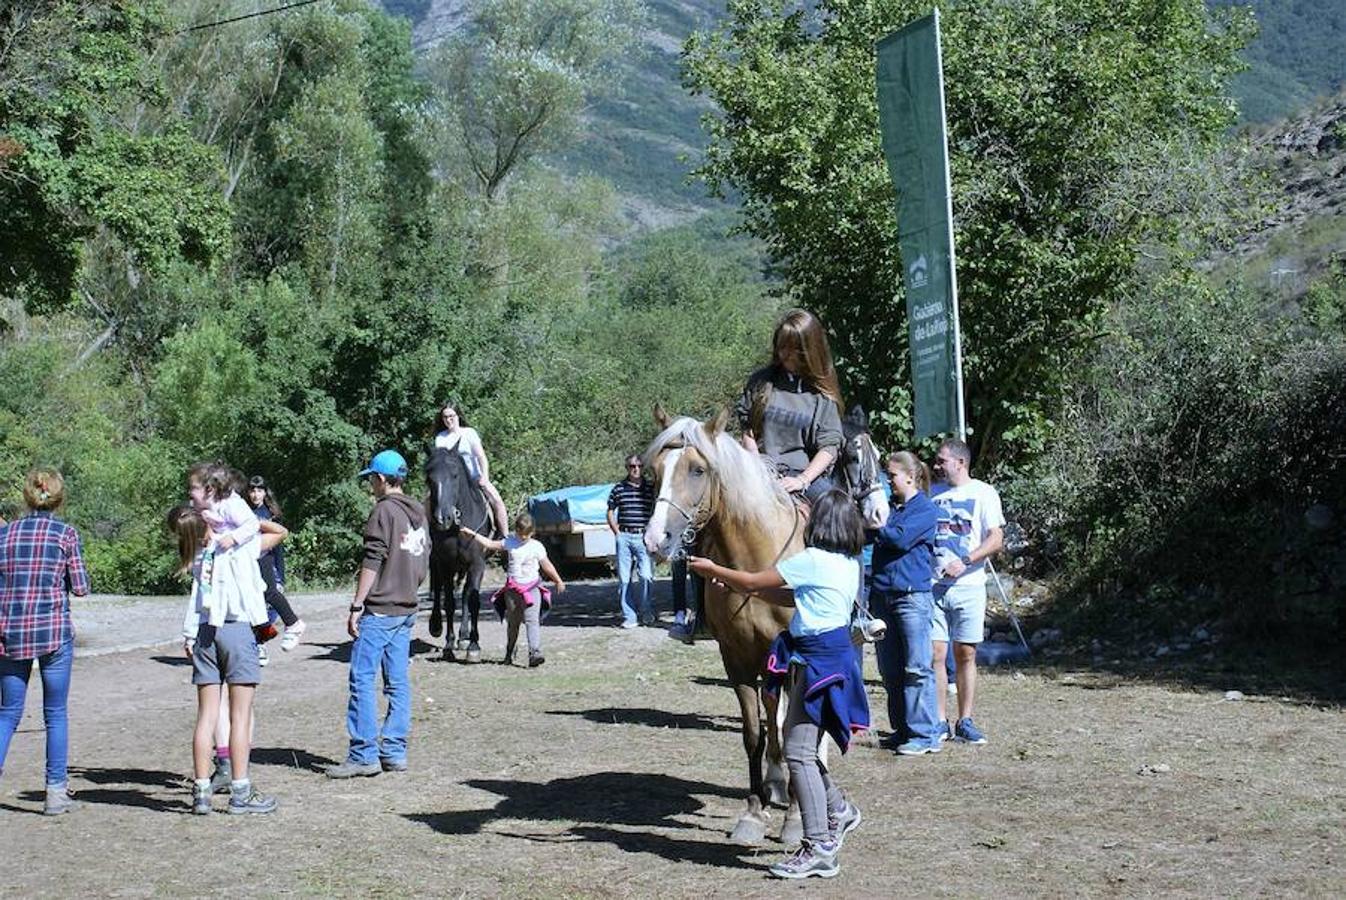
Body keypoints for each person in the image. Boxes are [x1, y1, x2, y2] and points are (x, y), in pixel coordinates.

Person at [689, 491, 868, 880]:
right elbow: (785, 593)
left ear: (820, 524)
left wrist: (715, 571)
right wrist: (743, 589)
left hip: (816, 661)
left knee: (798, 753)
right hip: (829, 657)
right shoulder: (844, 563)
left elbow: (755, 577)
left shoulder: (810, 560)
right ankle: (839, 809)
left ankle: (819, 845)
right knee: (798, 747)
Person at [170, 503, 279, 815]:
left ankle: (201, 791)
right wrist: (237, 523)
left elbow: (195, 599)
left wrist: (189, 634)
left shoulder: (197, 556)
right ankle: (240, 791)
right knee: (240, 716)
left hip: (204, 632)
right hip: (236, 628)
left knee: (206, 715)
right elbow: (276, 532)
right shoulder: (236, 548)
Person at [327, 450, 429, 779]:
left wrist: (357, 605)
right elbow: (422, 559)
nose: (370, 484)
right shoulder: (419, 513)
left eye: (371, 478)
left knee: (362, 678)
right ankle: (394, 751)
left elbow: (372, 560)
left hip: (381, 609)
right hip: (407, 608)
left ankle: (363, 754)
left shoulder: (383, 511)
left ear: (382, 479)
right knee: (397, 682)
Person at [0, 468, 90, 815]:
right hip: (53, 633)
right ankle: (55, 793)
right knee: (55, 713)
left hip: (10, 634)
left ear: (27, 496)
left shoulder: (5, 536)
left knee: (7, 712)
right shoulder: (65, 534)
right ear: (58, 497)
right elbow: (80, 588)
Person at [930, 438, 1005, 745]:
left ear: (960, 463)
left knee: (965, 653)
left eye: (941, 461)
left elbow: (996, 538)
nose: (936, 466)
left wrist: (965, 561)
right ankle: (938, 721)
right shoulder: (931, 494)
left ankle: (966, 719)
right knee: (935, 654)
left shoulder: (984, 493)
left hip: (969, 586)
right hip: (933, 586)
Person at [734, 308, 845, 504]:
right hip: (759, 470)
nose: (788, 354)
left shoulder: (821, 395)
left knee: (835, 509)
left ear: (809, 349)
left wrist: (802, 480)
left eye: (795, 348)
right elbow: (747, 430)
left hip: (803, 476)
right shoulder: (761, 382)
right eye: (783, 346)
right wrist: (757, 466)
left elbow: (829, 448)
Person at [870, 452, 941, 755]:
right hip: (884, 597)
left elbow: (898, 539)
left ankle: (925, 735)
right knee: (890, 669)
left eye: (892, 475)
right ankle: (902, 730)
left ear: (910, 477)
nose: (888, 480)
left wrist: (874, 529)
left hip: (911, 597)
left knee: (916, 668)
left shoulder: (925, 510)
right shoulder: (893, 509)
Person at [461, 513, 565, 668]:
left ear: (533, 533)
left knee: (532, 621)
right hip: (513, 591)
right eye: (520, 534)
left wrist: (558, 580)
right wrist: (473, 534)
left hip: (532, 588)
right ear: (516, 530)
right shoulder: (510, 542)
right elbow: (490, 544)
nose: (523, 538)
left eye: (527, 535)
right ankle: (510, 651)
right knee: (513, 624)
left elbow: (546, 565)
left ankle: (534, 652)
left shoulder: (537, 546)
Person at [245, 475, 306, 651]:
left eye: (259, 490)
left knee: (270, 594)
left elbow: (278, 549)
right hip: (250, 559)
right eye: (252, 490)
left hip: (264, 558)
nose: (255, 494)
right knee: (252, 602)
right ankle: (259, 642)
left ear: (265, 492)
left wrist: (281, 577)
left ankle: (292, 623)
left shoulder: (270, 515)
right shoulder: (245, 511)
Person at [432, 403, 510, 539]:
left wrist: (484, 476)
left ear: (458, 416)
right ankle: (427, 535)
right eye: (445, 417)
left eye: (451, 416)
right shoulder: (440, 438)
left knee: (497, 501)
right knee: (428, 501)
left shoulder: (469, 433)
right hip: (450, 481)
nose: (448, 420)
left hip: (474, 478)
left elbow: (481, 456)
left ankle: (506, 538)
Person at [607, 454, 655, 628]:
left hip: (643, 537)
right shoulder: (619, 488)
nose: (636, 469)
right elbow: (610, 510)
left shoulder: (650, 487)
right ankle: (630, 616)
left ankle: (646, 611)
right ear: (627, 468)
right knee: (625, 579)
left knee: (646, 576)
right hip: (625, 537)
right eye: (632, 466)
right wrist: (617, 532)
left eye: (639, 466)